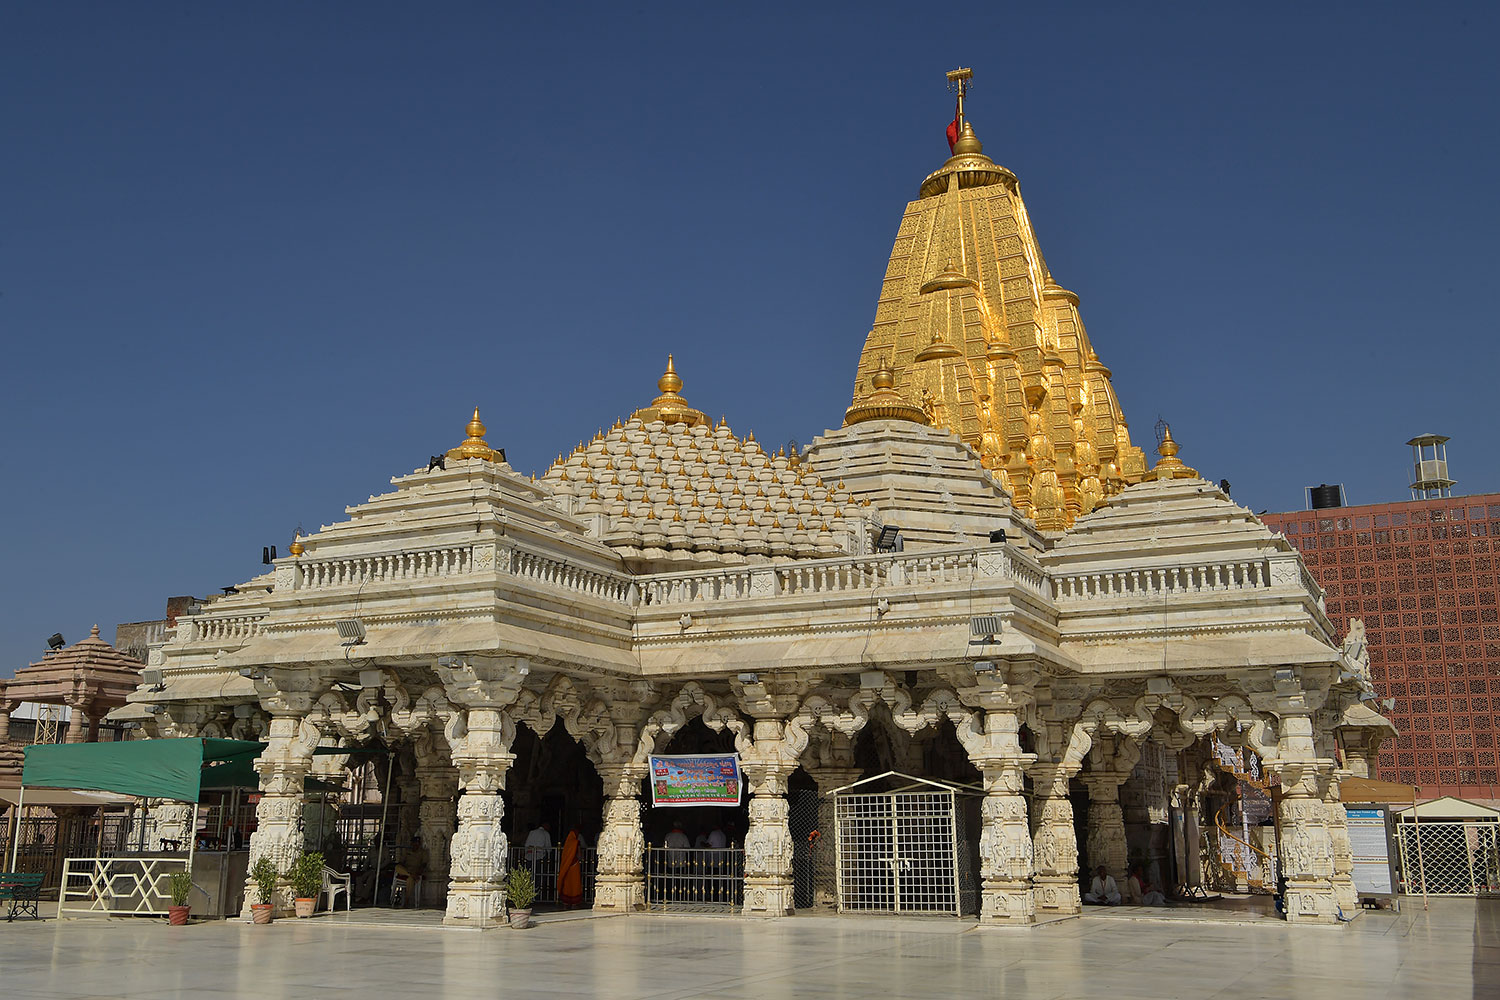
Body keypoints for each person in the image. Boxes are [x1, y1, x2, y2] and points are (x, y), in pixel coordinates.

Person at [394, 835, 428, 907]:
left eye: (417, 843)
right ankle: (410, 875)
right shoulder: (407, 852)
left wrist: (419, 872)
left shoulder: (423, 852)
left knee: (410, 880)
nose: (415, 845)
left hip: (415, 870)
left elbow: (424, 864)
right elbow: (401, 862)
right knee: (397, 867)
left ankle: (407, 900)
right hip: (406, 870)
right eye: (413, 843)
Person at [557, 828, 584, 908]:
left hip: (567, 867)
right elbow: (579, 855)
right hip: (575, 865)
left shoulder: (567, 844)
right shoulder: (576, 843)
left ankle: (566, 902)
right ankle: (574, 903)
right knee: (575, 883)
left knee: (567, 884)